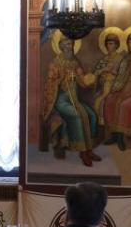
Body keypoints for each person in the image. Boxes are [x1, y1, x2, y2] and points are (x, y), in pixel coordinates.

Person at [42, 33, 100, 167]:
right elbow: (50, 83)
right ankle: (82, 151)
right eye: (67, 44)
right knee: (77, 116)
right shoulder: (55, 63)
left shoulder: (75, 61)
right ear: (61, 46)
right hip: (61, 100)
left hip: (74, 99)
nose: (71, 47)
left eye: (72, 44)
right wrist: (62, 79)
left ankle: (89, 149)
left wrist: (89, 78)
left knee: (91, 115)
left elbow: (82, 81)